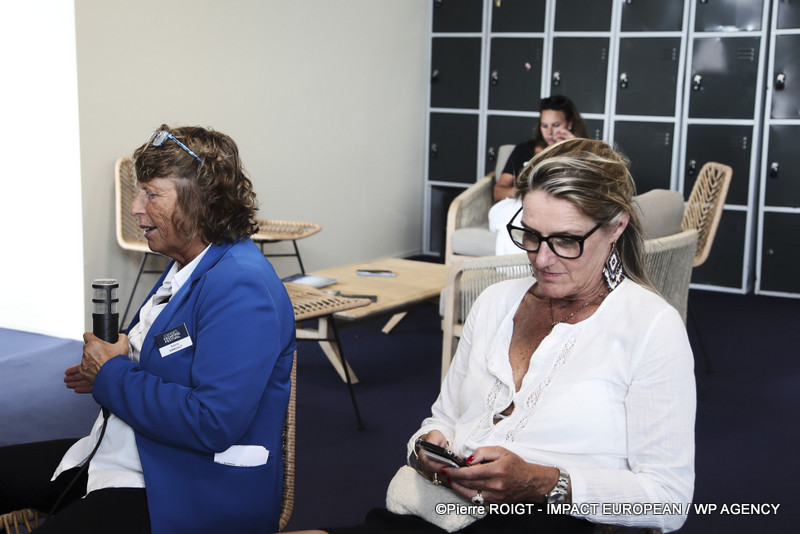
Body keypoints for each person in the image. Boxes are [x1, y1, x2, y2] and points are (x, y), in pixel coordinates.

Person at [288, 139, 695, 534]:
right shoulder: (495, 301)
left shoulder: (650, 326)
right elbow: (443, 418)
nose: (542, 258)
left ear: (616, 228)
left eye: (567, 240)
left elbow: (668, 500)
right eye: (531, 234)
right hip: (438, 513)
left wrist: (543, 482)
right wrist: (427, 450)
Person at [0, 125, 297, 534]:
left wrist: (112, 374)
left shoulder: (242, 287)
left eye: (152, 194)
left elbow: (212, 422)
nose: (136, 208)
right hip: (131, 452)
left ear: (201, 203)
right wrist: (118, 361)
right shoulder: (188, 263)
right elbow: (176, 351)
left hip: (188, 487)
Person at [489, 95, 589, 255]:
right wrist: (529, 193)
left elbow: (587, 188)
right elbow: (498, 191)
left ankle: (513, 272)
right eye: (544, 125)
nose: (549, 132)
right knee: (518, 218)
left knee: (526, 223)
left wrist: (574, 146)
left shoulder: (577, 153)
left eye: (556, 125)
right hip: (516, 205)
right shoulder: (524, 149)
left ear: (569, 124)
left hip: (554, 211)